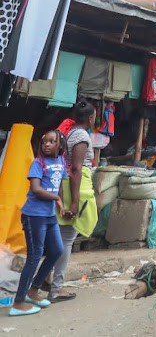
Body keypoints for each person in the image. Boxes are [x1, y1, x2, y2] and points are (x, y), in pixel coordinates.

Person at [10, 130, 69, 316]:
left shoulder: (61, 162)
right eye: (45, 141)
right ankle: (18, 303)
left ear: (60, 145)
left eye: (52, 141)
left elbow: (59, 185)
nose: (47, 144)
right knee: (34, 256)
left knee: (57, 250)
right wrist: (56, 199)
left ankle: (33, 290)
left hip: (49, 215)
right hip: (33, 215)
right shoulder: (38, 163)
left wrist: (62, 204)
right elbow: (36, 189)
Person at [48, 100, 97, 302]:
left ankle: (46, 279)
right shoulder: (81, 135)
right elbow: (76, 168)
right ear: (91, 118)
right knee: (66, 239)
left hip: (67, 186)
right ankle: (56, 287)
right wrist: (75, 202)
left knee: (60, 238)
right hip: (76, 188)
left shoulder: (68, 132)